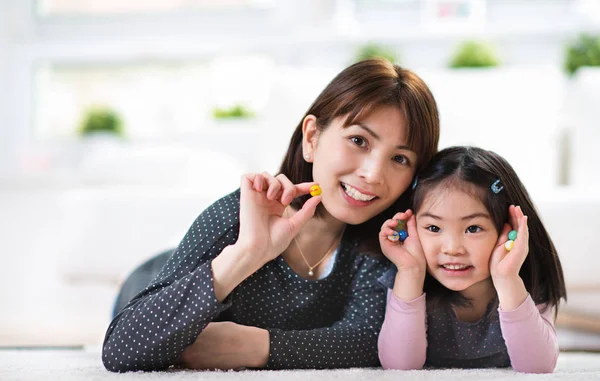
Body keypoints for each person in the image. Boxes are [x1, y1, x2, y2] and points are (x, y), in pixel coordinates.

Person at [102, 58, 440, 372]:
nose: (373, 173)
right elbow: (121, 349)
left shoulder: (386, 243)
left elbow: (374, 339)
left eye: (400, 159)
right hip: (151, 279)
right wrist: (247, 253)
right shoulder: (237, 216)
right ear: (312, 137)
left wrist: (257, 345)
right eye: (358, 140)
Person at [377, 146, 567, 373]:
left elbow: (538, 368)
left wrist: (507, 278)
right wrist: (409, 272)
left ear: (509, 228)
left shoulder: (527, 280)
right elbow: (399, 367)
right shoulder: (408, 277)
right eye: (434, 227)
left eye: (473, 228)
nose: (453, 248)